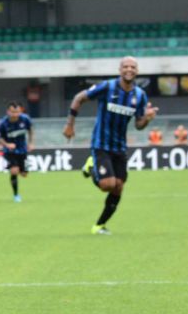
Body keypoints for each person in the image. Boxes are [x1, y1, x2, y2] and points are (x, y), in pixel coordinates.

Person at [64, 57, 158, 235]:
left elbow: (139, 125)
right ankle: (91, 165)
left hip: (120, 147)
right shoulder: (107, 86)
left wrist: (147, 118)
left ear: (137, 71)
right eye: (125, 67)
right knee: (107, 185)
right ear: (119, 69)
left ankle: (99, 226)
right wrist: (70, 124)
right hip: (101, 144)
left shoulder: (140, 95)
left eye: (133, 67)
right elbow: (79, 98)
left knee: (118, 187)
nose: (129, 69)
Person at [0, 101, 34, 202]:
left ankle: (23, 168)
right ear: (8, 112)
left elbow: (31, 130)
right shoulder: (3, 123)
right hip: (9, 151)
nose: (15, 114)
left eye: (17, 112)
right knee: (14, 171)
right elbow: (0, 138)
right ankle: (16, 195)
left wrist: (31, 143)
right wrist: (7, 144)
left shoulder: (25, 119)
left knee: (24, 174)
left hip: (23, 150)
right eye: (13, 112)